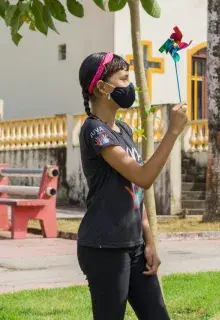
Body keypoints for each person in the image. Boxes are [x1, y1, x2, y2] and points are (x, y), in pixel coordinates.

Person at [77, 51, 188, 320]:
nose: (130, 86)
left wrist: (148, 241)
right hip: (104, 247)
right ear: (103, 87)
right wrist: (172, 132)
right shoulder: (94, 130)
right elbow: (143, 176)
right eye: (124, 78)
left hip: (134, 245)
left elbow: (135, 191)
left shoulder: (124, 130)